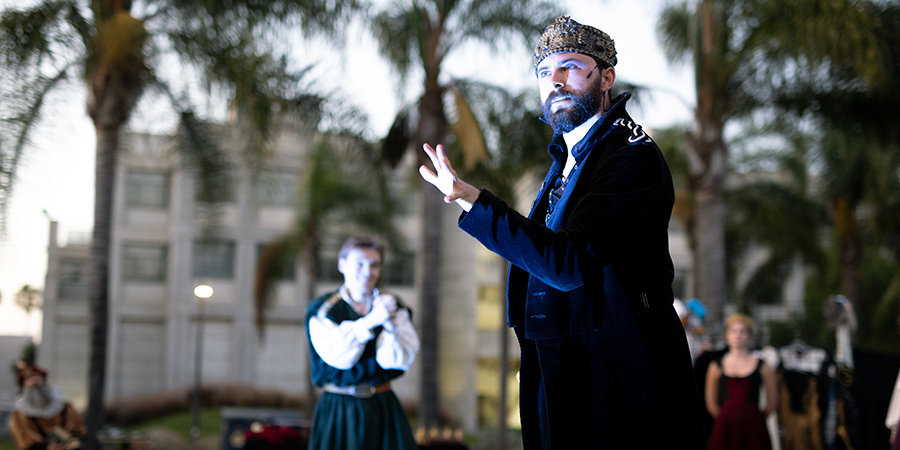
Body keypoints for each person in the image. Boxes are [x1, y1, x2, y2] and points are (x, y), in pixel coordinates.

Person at [419, 15, 706, 449]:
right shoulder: (571, 156)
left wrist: (471, 200)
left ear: (605, 76)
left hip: (618, 367)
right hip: (567, 355)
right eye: (543, 72)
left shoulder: (630, 155)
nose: (554, 81)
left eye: (570, 66)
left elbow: (568, 263)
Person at [305, 236, 420, 450]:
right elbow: (339, 357)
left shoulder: (393, 306)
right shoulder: (323, 309)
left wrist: (390, 325)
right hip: (339, 408)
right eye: (359, 263)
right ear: (342, 264)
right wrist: (372, 320)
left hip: (383, 404)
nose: (367, 272)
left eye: (374, 265)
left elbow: (399, 360)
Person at [705, 314, 777, 450]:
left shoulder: (763, 366)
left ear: (750, 336)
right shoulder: (716, 366)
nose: (737, 335)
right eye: (733, 331)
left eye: (742, 331)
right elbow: (711, 404)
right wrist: (726, 417)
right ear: (727, 335)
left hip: (753, 426)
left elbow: (772, 402)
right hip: (726, 426)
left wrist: (755, 417)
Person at [9, 361, 85, 450]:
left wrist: (68, 443)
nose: (35, 382)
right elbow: (24, 441)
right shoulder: (19, 415)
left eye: (38, 378)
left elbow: (78, 431)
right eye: (30, 379)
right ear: (24, 385)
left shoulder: (64, 407)